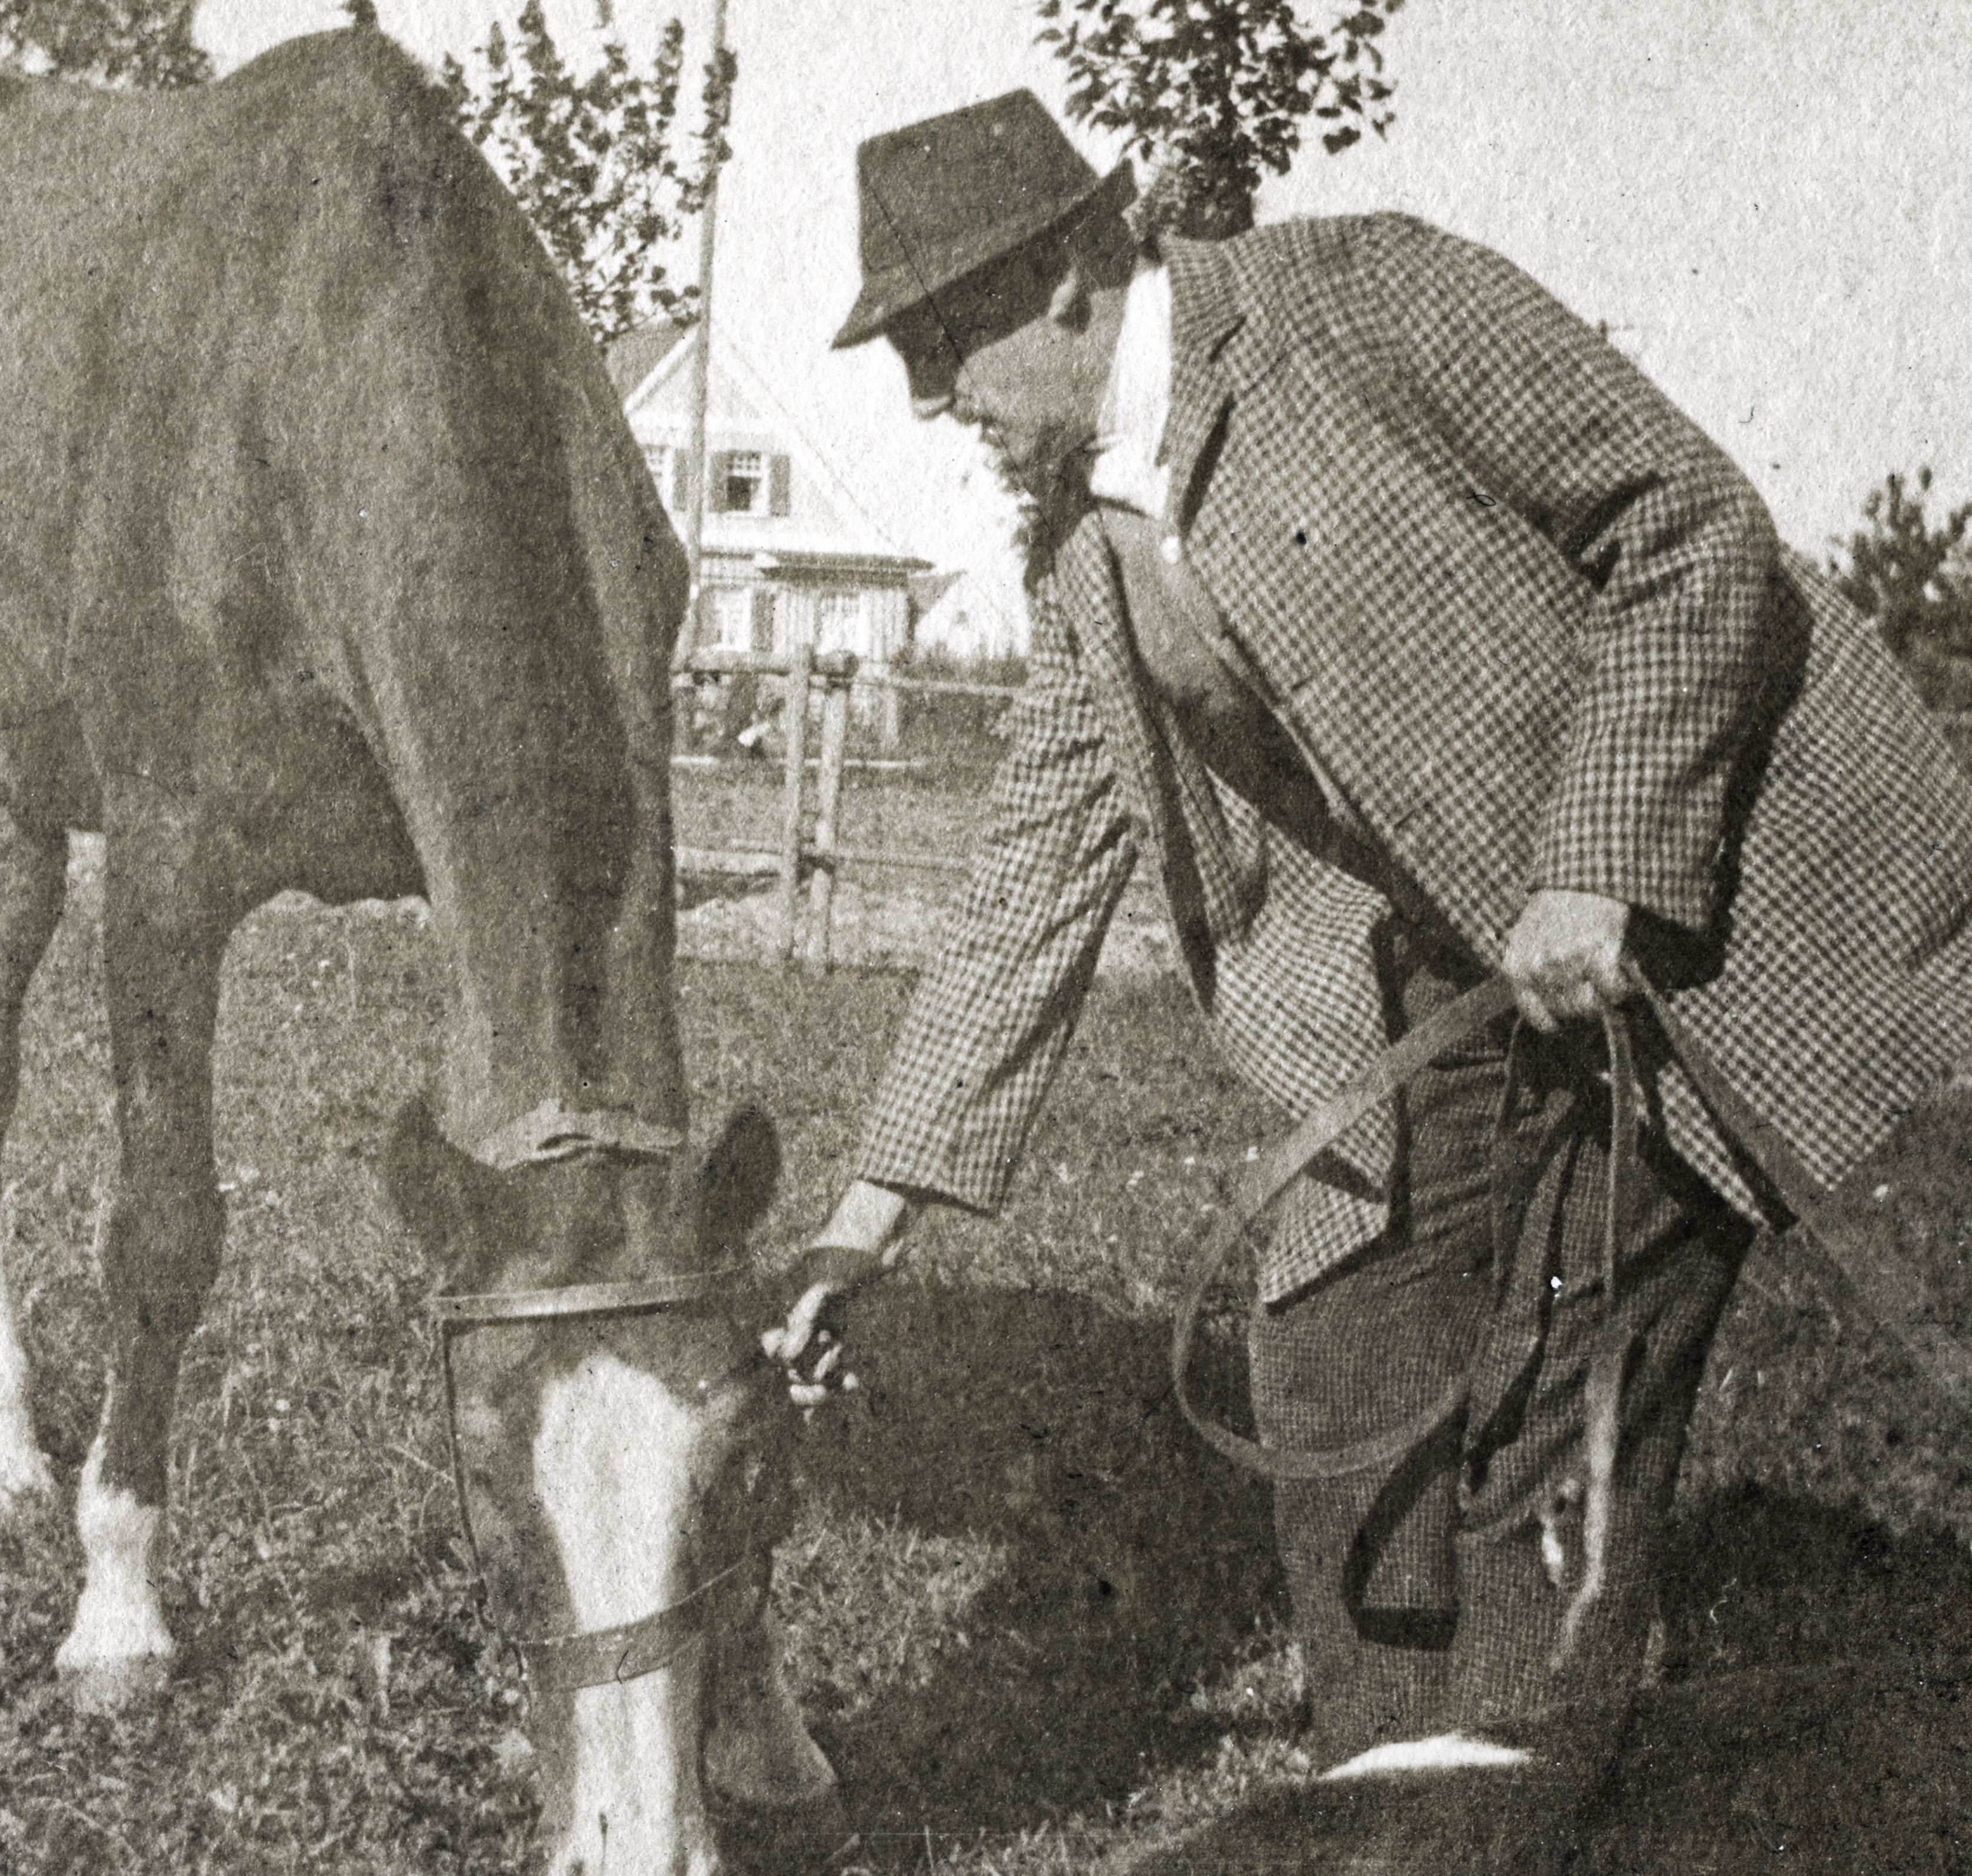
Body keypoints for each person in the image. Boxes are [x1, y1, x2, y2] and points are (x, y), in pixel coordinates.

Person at [764, 90, 1972, 1870]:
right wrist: (855, 1231)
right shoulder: (1093, 554)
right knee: (1330, 1396)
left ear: (1072, 282)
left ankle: (1493, 1813)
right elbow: (1027, 883)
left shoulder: (1368, 304)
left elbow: (1691, 522)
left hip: (1753, 916)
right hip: (1469, 1000)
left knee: (1563, 1458)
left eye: (944, 342)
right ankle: (1420, 1821)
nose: (930, 396)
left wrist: (1597, 857)